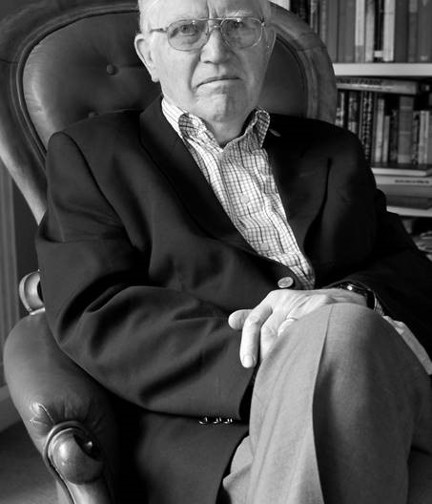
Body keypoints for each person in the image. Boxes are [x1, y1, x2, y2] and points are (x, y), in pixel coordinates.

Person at [36, 0, 432, 502]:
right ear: (149, 55)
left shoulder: (334, 150)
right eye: (186, 31)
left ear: (266, 42)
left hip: (390, 384)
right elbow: (95, 309)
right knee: (339, 338)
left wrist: (352, 296)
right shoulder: (92, 155)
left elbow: (409, 270)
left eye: (239, 27)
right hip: (223, 425)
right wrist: (287, 348)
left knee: (345, 327)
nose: (217, 52)